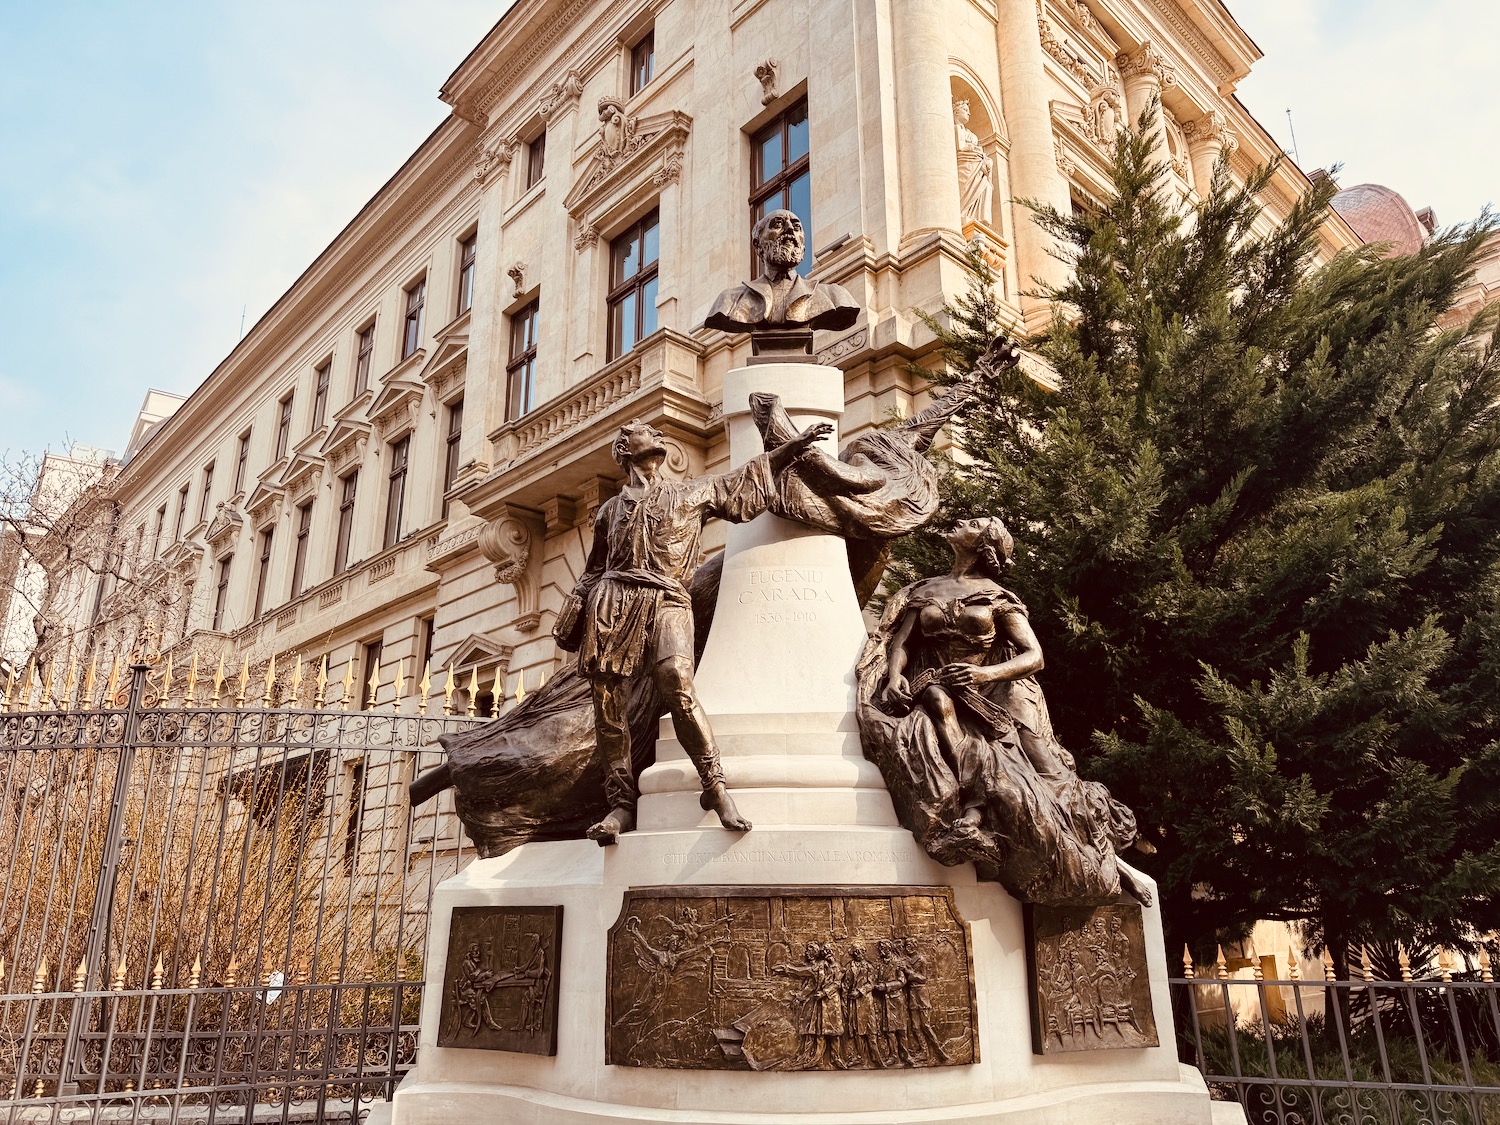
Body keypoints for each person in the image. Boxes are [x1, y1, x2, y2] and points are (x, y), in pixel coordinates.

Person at [564, 417, 832, 845]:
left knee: (677, 681)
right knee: (609, 705)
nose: (655, 436)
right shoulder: (609, 512)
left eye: (654, 433)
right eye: (643, 432)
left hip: (668, 598)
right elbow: (595, 568)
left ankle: (715, 786)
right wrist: (575, 607)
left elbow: (739, 483)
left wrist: (791, 448)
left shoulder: (690, 492)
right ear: (625, 450)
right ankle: (621, 803)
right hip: (613, 603)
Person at [858, 516, 1151, 906]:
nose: (961, 521)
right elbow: (903, 643)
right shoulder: (925, 590)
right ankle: (975, 805)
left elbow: (1035, 656)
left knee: (1050, 776)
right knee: (938, 705)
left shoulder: (997, 597)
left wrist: (983, 672)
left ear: (984, 544)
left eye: (973, 522)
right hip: (939, 682)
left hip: (1002, 690)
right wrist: (894, 677)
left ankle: (1106, 859)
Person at [704, 210, 860, 336]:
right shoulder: (730, 300)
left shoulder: (833, 295)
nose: (790, 230)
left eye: (796, 227)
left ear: (803, 246)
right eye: (778, 224)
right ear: (758, 245)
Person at [953, 99, 993, 225]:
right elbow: (960, 147)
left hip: (977, 165)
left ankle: (977, 216)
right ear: (956, 112)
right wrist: (975, 150)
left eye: (968, 110)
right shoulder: (956, 129)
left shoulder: (970, 133)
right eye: (965, 110)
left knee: (985, 185)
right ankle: (963, 212)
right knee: (965, 189)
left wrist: (985, 160)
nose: (968, 113)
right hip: (966, 164)